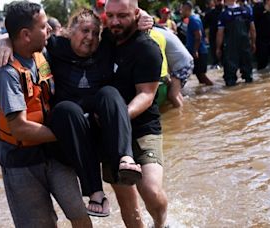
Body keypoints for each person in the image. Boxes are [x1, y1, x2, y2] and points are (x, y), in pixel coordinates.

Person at [0, 7, 148, 217]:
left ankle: (126, 159)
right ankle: (95, 192)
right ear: (68, 32)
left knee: (110, 93)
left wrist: (145, 18)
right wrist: (5, 40)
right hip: (69, 130)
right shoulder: (54, 47)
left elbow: (126, 24)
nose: (90, 38)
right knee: (66, 109)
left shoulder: (106, 45)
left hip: (102, 128)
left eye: (95, 33)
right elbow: (22, 36)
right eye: (84, 31)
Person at [0, 2, 91, 227]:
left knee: (80, 215)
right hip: (21, 162)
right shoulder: (6, 72)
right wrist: (70, 132)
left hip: (53, 153)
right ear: (26, 35)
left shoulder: (41, 52)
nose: (51, 31)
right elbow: (20, 128)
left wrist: (5, 39)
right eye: (44, 26)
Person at [102, 0, 168, 227]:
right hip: (109, 133)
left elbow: (146, 95)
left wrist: (116, 120)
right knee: (128, 205)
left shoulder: (147, 48)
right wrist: (5, 40)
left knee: (150, 190)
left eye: (122, 16)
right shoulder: (104, 39)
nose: (114, 22)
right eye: (109, 16)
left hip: (143, 127)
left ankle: (161, 222)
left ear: (137, 14)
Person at [216, 0, 256, 86]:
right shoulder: (246, 11)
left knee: (230, 78)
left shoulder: (224, 14)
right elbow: (252, 29)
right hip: (245, 45)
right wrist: (253, 43)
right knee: (248, 75)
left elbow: (220, 33)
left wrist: (218, 48)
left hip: (230, 48)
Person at [154, 25, 194, 107]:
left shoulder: (153, 34)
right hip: (186, 61)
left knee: (172, 95)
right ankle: (183, 111)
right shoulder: (162, 29)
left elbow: (162, 57)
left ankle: (181, 116)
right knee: (175, 93)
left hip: (181, 64)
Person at [181, 1, 214, 86]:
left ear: (187, 9)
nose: (181, 11)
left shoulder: (193, 20)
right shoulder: (194, 18)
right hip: (199, 51)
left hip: (199, 51)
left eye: (182, 9)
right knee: (199, 75)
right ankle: (205, 94)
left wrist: (195, 50)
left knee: (201, 75)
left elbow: (198, 36)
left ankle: (213, 89)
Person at [204, 0, 224, 68]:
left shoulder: (226, 12)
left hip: (225, 37)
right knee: (215, 54)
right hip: (213, 37)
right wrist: (206, 37)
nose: (220, 3)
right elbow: (206, 27)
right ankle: (216, 63)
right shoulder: (210, 13)